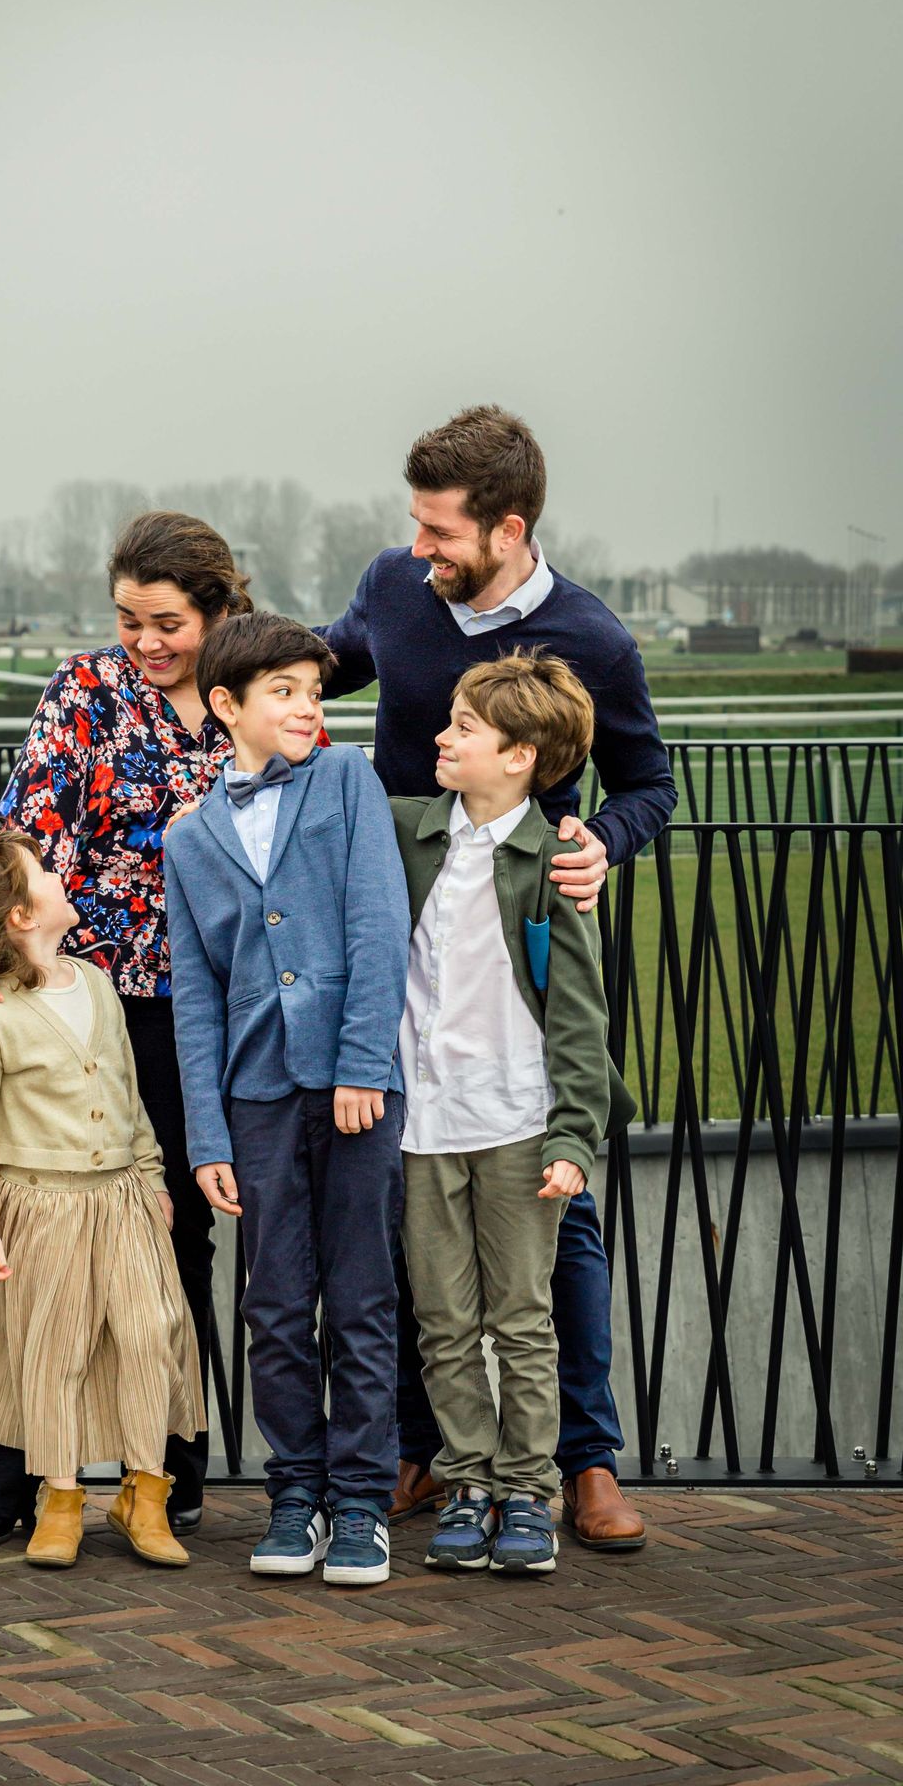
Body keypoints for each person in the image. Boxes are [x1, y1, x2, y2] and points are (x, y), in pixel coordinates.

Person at [317, 404, 676, 1550]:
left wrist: (597, 845)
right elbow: (315, 668)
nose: (417, 549)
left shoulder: (592, 639)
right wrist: (207, 661)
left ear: (507, 529)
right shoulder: (393, 585)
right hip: (399, 939)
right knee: (406, 1217)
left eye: (440, 533)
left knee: (554, 1224)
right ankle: (428, 1453)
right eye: (415, 526)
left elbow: (647, 785)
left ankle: (583, 1461)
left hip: (520, 945)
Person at [0, 512, 252, 1532]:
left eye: (167, 622)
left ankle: (162, 1476)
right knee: (29, 1227)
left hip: (198, 1013)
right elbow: (23, 835)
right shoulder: (84, 689)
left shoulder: (251, 696)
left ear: (219, 610)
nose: (145, 641)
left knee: (172, 1240)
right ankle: (5, 1486)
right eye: (129, 619)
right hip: (70, 999)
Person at [164, 612, 410, 1587]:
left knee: (360, 1299)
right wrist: (207, 1134)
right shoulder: (188, 838)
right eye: (284, 692)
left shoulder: (346, 781)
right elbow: (195, 995)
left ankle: (361, 1503)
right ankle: (295, 1493)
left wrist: (362, 1064)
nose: (308, 707)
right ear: (226, 705)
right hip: (256, 1097)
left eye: (313, 691)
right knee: (272, 1304)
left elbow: (377, 924)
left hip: (353, 1091)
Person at [392, 652, 637, 1575]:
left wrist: (573, 1134)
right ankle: (467, 1483)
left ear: (521, 755)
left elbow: (578, 1017)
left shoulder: (556, 862)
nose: (441, 737)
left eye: (463, 727)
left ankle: (530, 1491)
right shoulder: (407, 831)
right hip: (423, 1129)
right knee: (443, 1321)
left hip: (519, 1127)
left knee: (524, 1319)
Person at [0, 829, 205, 1568]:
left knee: (150, 1335)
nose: (60, 874)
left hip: (122, 1200)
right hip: (41, 1208)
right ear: (21, 915)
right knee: (56, 1352)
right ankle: (60, 1496)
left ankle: (146, 1492)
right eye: (44, 872)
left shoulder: (98, 984)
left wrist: (151, 1174)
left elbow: (128, 1095)